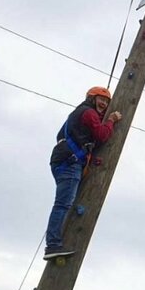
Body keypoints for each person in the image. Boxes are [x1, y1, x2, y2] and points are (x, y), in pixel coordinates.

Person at [44, 86, 121, 260]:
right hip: (69, 162)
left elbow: (64, 135)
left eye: (106, 101)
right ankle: (53, 245)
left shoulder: (78, 115)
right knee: (63, 204)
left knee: (66, 203)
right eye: (100, 99)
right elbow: (101, 135)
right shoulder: (88, 113)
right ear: (91, 99)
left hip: (65, 160)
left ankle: (55, 243)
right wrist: (111, 120)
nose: (103, 103)